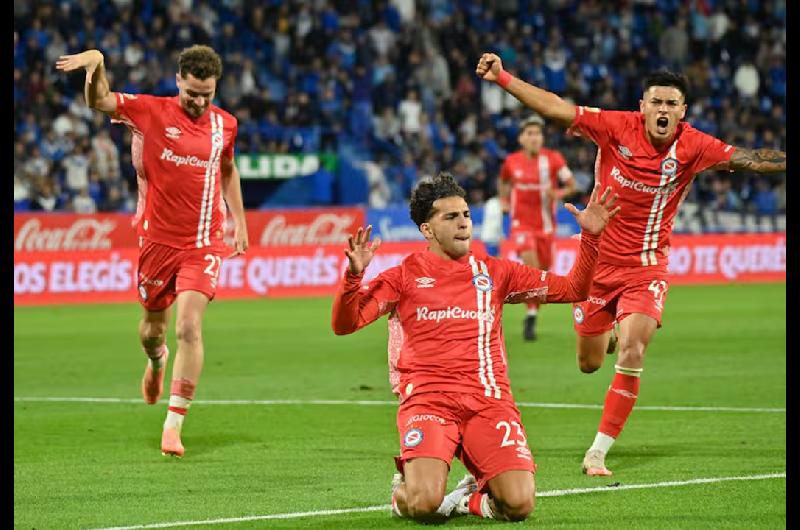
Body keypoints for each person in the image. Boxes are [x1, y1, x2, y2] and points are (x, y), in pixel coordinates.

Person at [476, 53, 786, 476]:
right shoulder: (614, 127)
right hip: (597, 266)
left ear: (682, 112)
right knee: (589, 363)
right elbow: (555, 106)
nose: (662, 110)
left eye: (670, 104)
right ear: (642, 106)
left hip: (646, 268)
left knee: (634, 348)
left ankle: (597, 452)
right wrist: (504, 78)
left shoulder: (695, 145)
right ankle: (605, 331)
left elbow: (751, 159)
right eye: (655, 102)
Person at [331, 172, 620, 523]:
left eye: (466, 214)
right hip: (429, 399)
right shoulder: (404, 276)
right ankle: (402, 490)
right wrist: (353, 278)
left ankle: (470, 499)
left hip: (488, 400)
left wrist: (591, 237)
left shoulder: (496, 273)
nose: (463, 223)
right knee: (423, 504)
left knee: (519, 504)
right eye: (450, 217)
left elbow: (574, 288)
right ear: (427, 230)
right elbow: (345, 324)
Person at [56, 45, 249, 457]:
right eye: (192, 93)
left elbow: (228, 170)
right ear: (178, 80)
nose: (199, 102)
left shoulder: (225, 126)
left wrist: (241, 222)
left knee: (189, 328)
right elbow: (100, 101)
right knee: (154, 330)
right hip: (157, 241)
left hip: (204, 242)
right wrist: (97, 66)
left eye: (207, 95)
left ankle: (173, 424)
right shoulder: (150, 111)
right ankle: (156, 360)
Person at [498, 114, 577, 341]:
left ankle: (532, 312)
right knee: (531, 266)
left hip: (546, 227)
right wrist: (504, 201)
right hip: (521, 225)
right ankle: (531, 317)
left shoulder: (553, 160)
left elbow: (571, 185)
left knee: (541, 273)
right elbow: (503, 182)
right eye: (530, 134)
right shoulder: (511, 162)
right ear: (521, 139)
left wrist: (559, 193)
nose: (534, 138)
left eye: (538, 134)